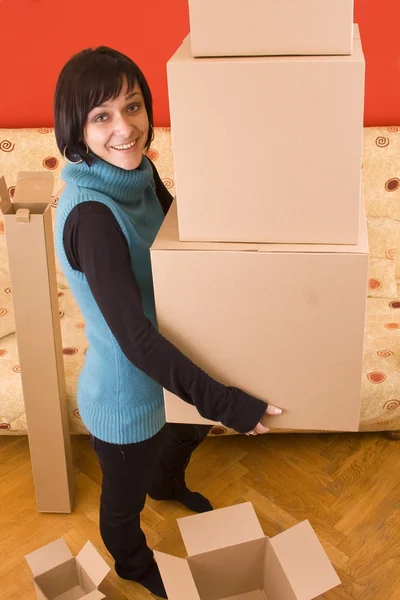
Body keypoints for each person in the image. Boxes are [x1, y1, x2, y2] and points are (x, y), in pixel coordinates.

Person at [53, 46, 282, 599]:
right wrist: (227, 402)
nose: (125, 128)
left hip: (175, 353)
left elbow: (179, 233)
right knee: (122, 504)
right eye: (102, 116)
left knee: (189, 429)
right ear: (75, 128)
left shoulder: (140, 171)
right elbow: (135, 340)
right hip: (129, 390)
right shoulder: (91, 217)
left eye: (133, 106)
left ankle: (167, 480)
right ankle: (132, 562)